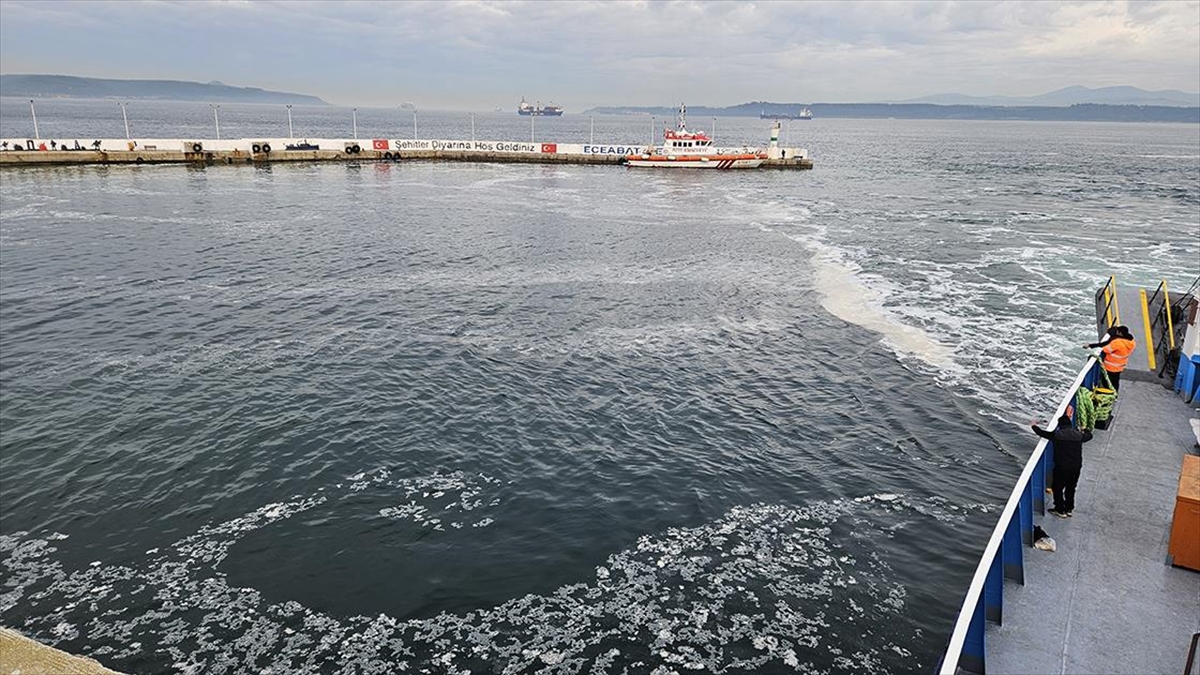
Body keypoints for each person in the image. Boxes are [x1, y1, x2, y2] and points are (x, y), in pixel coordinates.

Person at [1031, 415, 1093, 517]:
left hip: (1062, 467)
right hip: (1076, 466)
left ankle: (1060, 509)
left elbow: (1042, 433)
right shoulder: (1078, 435)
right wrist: (1085, 429)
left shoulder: (1057, 435)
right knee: (1071, 487)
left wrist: (1034, 426)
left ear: (1060, 425)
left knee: (1057, 487)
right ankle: (1069, 508)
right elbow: (1089, 436)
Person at [1083, 325, 1136, 391]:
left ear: (1120, 333)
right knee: (1115, 382)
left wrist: (1090, 345)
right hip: (1120, 366)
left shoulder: (1117, 343)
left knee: (1106, 382)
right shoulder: (1131, 342)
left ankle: (1107, 395)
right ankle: (1115, 394)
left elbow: (1106, 349)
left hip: (1110, 367)